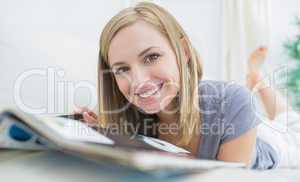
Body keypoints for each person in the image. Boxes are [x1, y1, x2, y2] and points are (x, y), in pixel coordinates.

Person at [74, 2, 291, 170]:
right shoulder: (127, 116)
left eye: (151, 57)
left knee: (285, 117)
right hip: (240, 119)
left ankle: (256, 77)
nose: (139, 82)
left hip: (279, 140)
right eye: (122, 69)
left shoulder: (234, 100)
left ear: (184, 51)